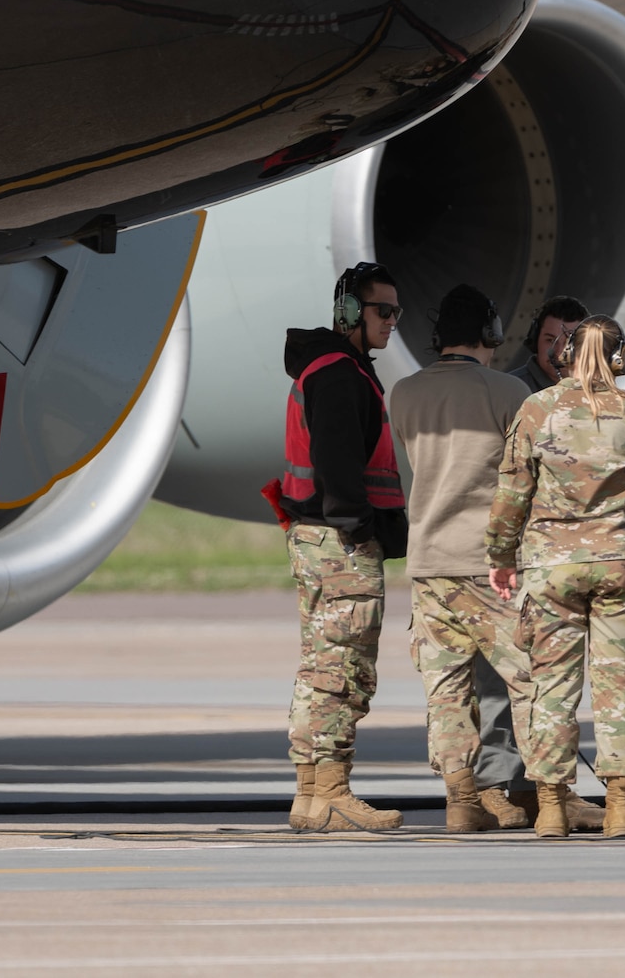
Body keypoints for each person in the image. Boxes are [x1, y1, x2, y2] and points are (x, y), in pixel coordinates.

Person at [485, 315, 625, 838]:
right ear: (620, 358)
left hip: (552, 567)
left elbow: (512, 492)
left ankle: (552, 807)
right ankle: (621, 806)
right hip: (619, 565)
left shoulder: (538, 408)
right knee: (619, 686)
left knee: (552, 685)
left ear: (565, 355)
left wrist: (501, 554)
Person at [387, 284, 539, 832]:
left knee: (447, 688)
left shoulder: (402, 392)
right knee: (530, 676)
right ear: (491, 334)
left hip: (428, 560)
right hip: (490, 561)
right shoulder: (509, 393)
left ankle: (460, 800)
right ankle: (548, 791)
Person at [271, 260, 409, 832]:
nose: (391, 322)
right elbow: (337, 462)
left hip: (322, 539)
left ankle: (311, 794)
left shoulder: (336, 368)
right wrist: (360, 526)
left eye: (396, 312)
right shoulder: (338, 374)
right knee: (343, 666)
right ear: (350, 311)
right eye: (382, 310)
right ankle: (330, 790)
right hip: (340, 542)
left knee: (322, 664)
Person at [509, 295, 588, 394]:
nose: (559, 353)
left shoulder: (599, 394)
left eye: (570, 342)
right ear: (535, 340)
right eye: (550, 340)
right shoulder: (509, 391)